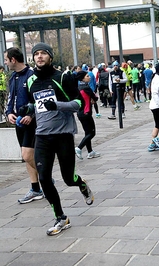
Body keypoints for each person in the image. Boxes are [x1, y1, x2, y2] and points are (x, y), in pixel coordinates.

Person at [23, 42, 94, 235]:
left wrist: (58, 106)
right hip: (42, 136)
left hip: (63, 135)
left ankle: (81, 184)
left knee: (68, 178)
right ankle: (61, 218)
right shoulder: (31, 81)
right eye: (36, 54)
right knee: (44, 178)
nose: (39, 57)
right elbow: (33, 103)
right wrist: (27, 110)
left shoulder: (62, 77)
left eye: (43, 53)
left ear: (50, 57)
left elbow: (78, 103)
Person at [4, 47, 43, 204]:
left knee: (27, 155)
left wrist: (30, 115)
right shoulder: (13, 77)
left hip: (32, 123)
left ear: (13, 60)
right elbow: (10, 99)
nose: (5, 63)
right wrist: (8, 113)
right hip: (18, 123)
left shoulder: (32, 75)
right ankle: (35, 189)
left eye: (6, 60)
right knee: (26, 156)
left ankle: (46, 177)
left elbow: (38, 99)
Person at [75, 70, 101, 160]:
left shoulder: (78, 87)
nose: (89, 77)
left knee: (87, 132)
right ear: (82, 78)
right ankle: (79, 148)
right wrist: (93, 98)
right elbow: (95, 98)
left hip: (80, 113)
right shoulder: (86, 87)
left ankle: (90, 152)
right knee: (92, 132)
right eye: (87, 76)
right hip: (86, 112)